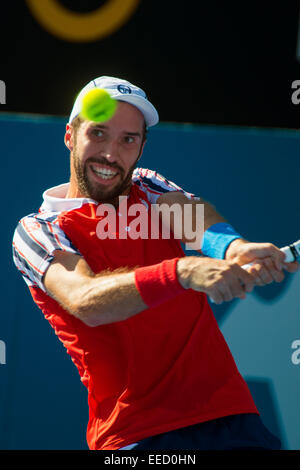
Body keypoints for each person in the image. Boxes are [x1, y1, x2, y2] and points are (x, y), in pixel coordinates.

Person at [12, 76, 299, 451]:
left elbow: (196, 222)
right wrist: (182, 272)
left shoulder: (147, 187)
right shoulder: (37, 230)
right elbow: (84, 300)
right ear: (70, 135)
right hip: (134, 437)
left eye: (127, 139)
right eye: (98, 134)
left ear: (142, 147)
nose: (111, 154)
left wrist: (233, 249)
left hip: (232, 420)